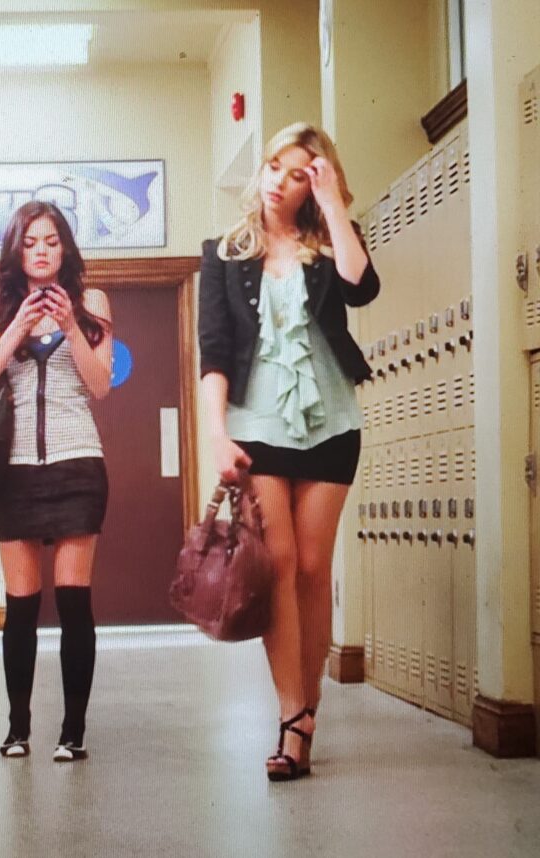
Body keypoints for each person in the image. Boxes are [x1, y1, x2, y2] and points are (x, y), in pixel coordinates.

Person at [198, 122, 380, 781]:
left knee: (310, 566)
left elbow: (363, 287)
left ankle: (311, 702)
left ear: (315, 181)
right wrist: (217, 433)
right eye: (275, 165)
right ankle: (291, 716)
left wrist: (333, 204)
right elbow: (214, 354)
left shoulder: (330, 248)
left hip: (331, 424)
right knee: (276, 565)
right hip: (256, 427)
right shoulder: (223, 254)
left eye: (298, 171)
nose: (279, 179)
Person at [0, 201, 113, 762]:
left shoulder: (93, 302)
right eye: (30, 242)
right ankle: (18, 727)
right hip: (15, 468)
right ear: (16, 251)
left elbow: (100, 385)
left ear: (65, 248)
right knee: (21, 605)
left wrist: (72, 323)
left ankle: (73, 730)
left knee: (74, 602)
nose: (42, 251)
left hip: (78, 462)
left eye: (51, 241)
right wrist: (16, 329)